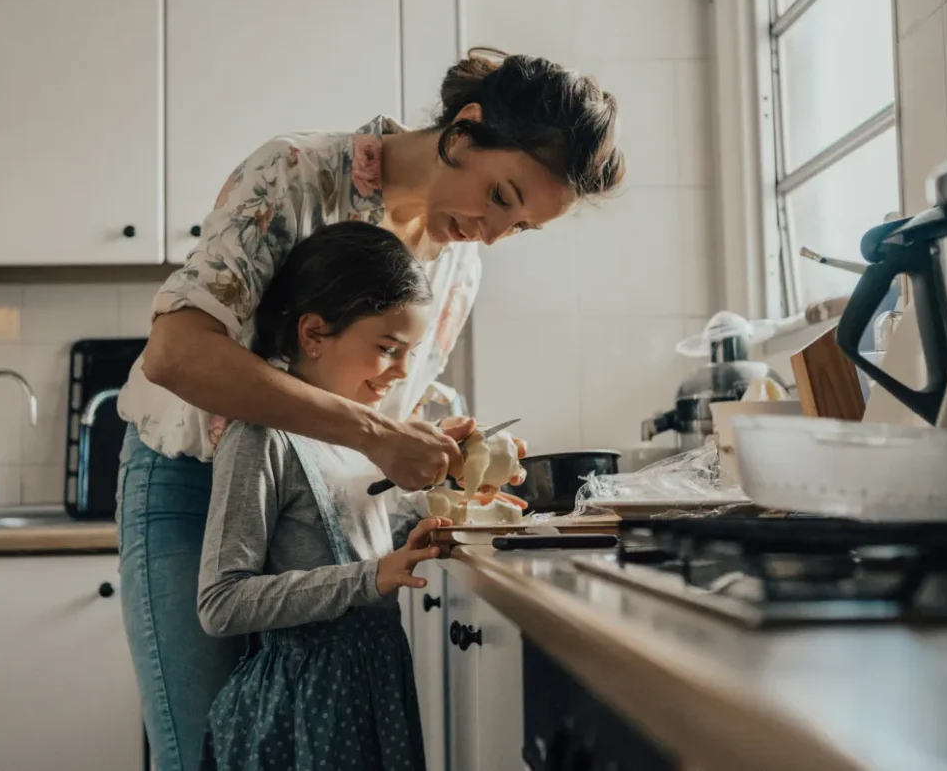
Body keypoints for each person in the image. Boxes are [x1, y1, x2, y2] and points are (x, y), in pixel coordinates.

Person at [116, 49, 626, 769]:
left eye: (520, 227)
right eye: (502, 196)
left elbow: (364, 422)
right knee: (201, 750)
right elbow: (175, 355)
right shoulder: (295, 173)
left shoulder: (458, 266)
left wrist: (426, 451)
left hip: (309, 518)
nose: (491, 231)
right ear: (465, 130)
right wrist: (380, 434)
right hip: (188, 482)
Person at [197, 222, 464, 770]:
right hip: (304, 707)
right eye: (389, 349)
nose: (402, 372)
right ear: (313, 334)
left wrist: (449, 495)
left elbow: (353, 540)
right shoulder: (259, 437)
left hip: (374, 686)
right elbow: (221, 603)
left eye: (411, 352)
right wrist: (372, 577)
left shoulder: (361, 437)